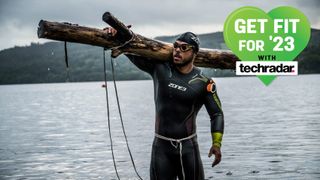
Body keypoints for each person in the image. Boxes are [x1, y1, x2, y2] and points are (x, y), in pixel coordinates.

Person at [104, 27, 224, 180]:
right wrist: (118, 34)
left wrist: (217, 144)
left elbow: (216, 114)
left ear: (194, 52)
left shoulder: (204, 83)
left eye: (183, 47)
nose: (177, 50)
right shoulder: (160, 69)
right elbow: (130, 51)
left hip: (188, 149)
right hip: (161, 148)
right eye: (175, 46)